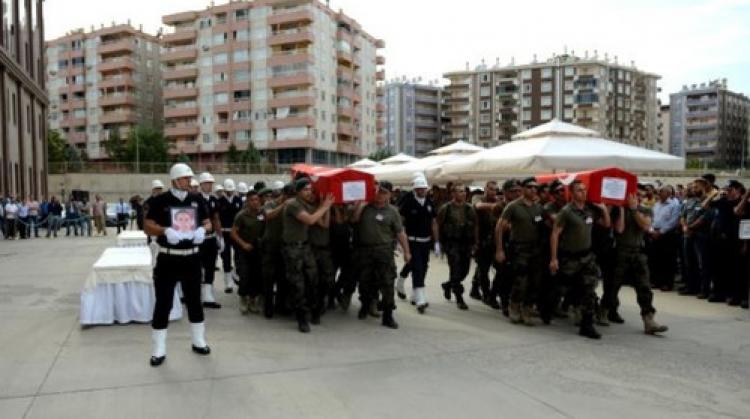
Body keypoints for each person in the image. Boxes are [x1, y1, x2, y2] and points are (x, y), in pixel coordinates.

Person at [144, 163, 212, 367]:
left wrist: (203, 230)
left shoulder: (196, 199)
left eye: (190, 178)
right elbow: (148, 226)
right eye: (185, 178)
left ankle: (198, 340)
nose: (189, 182)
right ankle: (159, 348)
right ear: (174, 179)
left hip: (191, 257)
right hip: (168, 257)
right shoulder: (160, 200)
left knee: (194, 300)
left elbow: (207, 221)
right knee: (163, 302)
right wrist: (165, 231)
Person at [549, 180, 611, 339]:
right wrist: (554, 259)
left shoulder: (590, 210)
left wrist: (604, 209)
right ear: (572, 193)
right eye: (579, 190)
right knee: (564, 287)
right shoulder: (566, 211)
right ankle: (548, 307)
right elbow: (555, 234)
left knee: (589, 290)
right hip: (569, 258)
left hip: (586, 257)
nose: (583, 193)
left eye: (584, 190)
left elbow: (606, 224)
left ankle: (587, 325)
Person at [601, 193, 668, 334]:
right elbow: (619, 229)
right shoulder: (619, 209)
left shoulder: (645, 210)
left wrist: (633, 209)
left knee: (644, 287)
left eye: (637, 194)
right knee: (612, 286)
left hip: (638, 252)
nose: (635, 197)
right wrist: (620, 208)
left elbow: (645, 225)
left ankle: (648, 320)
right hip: (620, 251)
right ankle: (604, 311)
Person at [352, 181, 410, 329]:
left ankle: (388, 315)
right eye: (378, 191)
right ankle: (365, 306)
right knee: (364, 282)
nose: (379, 195)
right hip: (364, 251)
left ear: (389, 194)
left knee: (387, 284)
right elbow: (354, 220)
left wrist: (407, 251)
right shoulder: (365, 207)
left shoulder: (392, 211)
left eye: (384, 192)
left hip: (384, 252)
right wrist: (361, 204)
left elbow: (400, 232)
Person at [282, 178, 333, 333]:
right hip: (292, 249)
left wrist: (326, 207)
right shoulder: (293, 204)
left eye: (310, 189)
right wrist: (324, 206)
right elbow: (310, 220)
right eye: (305, 189)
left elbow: (324, 224)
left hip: (305, 247)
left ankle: (313, 311)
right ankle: (302, 318)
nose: (309, 192)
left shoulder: (307, 205)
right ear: (298, 191)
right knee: (298, 285)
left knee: (313, 280)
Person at [496, 177, 545, 326]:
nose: (533, 190)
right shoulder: (513, 206)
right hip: (519, 249)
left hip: (535, 249)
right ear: (523, 189)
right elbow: (499, 228)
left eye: (535, 187)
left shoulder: (538, 208)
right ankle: (514, 306)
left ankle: (527, 308)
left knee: (535, 281)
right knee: (520, 281)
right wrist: (499, 250)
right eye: (530, 187)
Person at [397, 175, 438, 314]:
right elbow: (399, 222)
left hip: (425, 242)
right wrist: (400, 242)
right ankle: (420, 299)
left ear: (426, 189)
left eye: (423, 188)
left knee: (421, 266)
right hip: (412, 241)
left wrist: (437, 242)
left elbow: (434, 223)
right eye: (418, 188)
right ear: (414, 189)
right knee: (418, 268)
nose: (421, 190)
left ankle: (402, 282)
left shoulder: (430, 203)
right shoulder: (408, 203)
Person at [437, 183, 478, 310]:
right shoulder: (446, 208)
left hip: (466, 243)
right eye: (459, 191)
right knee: (455, 270)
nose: (463, 193)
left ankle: (448, 285)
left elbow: (476, 225)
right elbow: (438, 225)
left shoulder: (469, 208)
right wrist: (439, 243)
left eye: (464, 191)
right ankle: (459, 297)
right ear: (453, 193)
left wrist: (476, 242)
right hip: (451, 243)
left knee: (464, 271)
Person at [708, 180, 744, 304]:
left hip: (734, 240)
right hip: (719, 240)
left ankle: (733, 295)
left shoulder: (741, 202)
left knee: (733, 269)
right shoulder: (722, 201)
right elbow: (705, 205)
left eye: (730, 189)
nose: (727, 191)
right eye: (726, 189)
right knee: (718, 268)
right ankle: (719, 293)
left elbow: (740, 216)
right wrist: (713, 194)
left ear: (737, 189)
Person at [232, 190, 266, 315]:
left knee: (257, 276)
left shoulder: (263, 213)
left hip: (258, 249)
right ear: (247, 201)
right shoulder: (241, 215)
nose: (255, 202)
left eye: (257, 199)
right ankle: (243, 298)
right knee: (245, 275)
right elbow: (233, 233)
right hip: (245, 250)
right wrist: (243, 244)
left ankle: (253, 300)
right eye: (252, 200)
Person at [261, 182, 291, 318]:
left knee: (283, 278)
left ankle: (280, 306)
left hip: (284, 246)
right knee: (268, 278)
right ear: (284, 195)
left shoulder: (291, 206)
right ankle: (268, 307)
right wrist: (283, 205)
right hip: (270, 246)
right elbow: (269, 216)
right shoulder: (270, 204)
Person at [680, 179, 714, 298]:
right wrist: (685, 226)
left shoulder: (709, 200)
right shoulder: (690, 201)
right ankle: (691, 287)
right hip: (687, 235)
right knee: (689, 262)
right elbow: (683, 215)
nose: (694, 189)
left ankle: (704, 289)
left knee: (702, 264)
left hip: (701, 235)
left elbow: (704, 218)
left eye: (697, 187)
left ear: (704, 187)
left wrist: (690, 228)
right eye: (693, 187)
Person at [471, 181, 502, 309]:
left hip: (494, 241)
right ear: (485, 189)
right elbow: (478, 206)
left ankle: (475, 288)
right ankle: (487, 294)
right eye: (491, 189)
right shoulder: (477, 197)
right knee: (483, 269)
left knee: (491, 268)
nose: (493, 192)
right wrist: (496, 205)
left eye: (495, 190)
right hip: (481, 239)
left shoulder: (499, 200)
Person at [197, 173, 222, 309]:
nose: (209, 185)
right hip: (198, 239)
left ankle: (208, 296)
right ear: (200, 185)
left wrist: (220, 237)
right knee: (197, 267)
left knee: (210, 267)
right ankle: (197, 295)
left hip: (211, 238)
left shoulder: (213, 199)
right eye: (206, 183)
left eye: (211, 183)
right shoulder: (195, 199)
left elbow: (216, 219)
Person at [649, 186, 682, 291]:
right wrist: (651, 230)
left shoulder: (674, 205)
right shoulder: (656, 204)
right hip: (654, 232)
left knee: (667, 260)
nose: (659, 193)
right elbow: (651, 218)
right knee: (656, 258)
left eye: (661, 192)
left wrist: (661, 231)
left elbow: (673, 221)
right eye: (658, 192)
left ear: (668, 193)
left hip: (667, 235)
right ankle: (656, 281)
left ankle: (667, 283)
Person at [217, 178, 243, 293]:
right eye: (228, 190)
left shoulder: (238, 200)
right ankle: (228, 282)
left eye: (231, 190)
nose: (230, 192)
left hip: (236, 233)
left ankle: (237, 274)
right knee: (226, 257)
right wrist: (219, 236)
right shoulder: (220, 201)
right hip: (224, 232)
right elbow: (217, 218)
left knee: (238, 255)